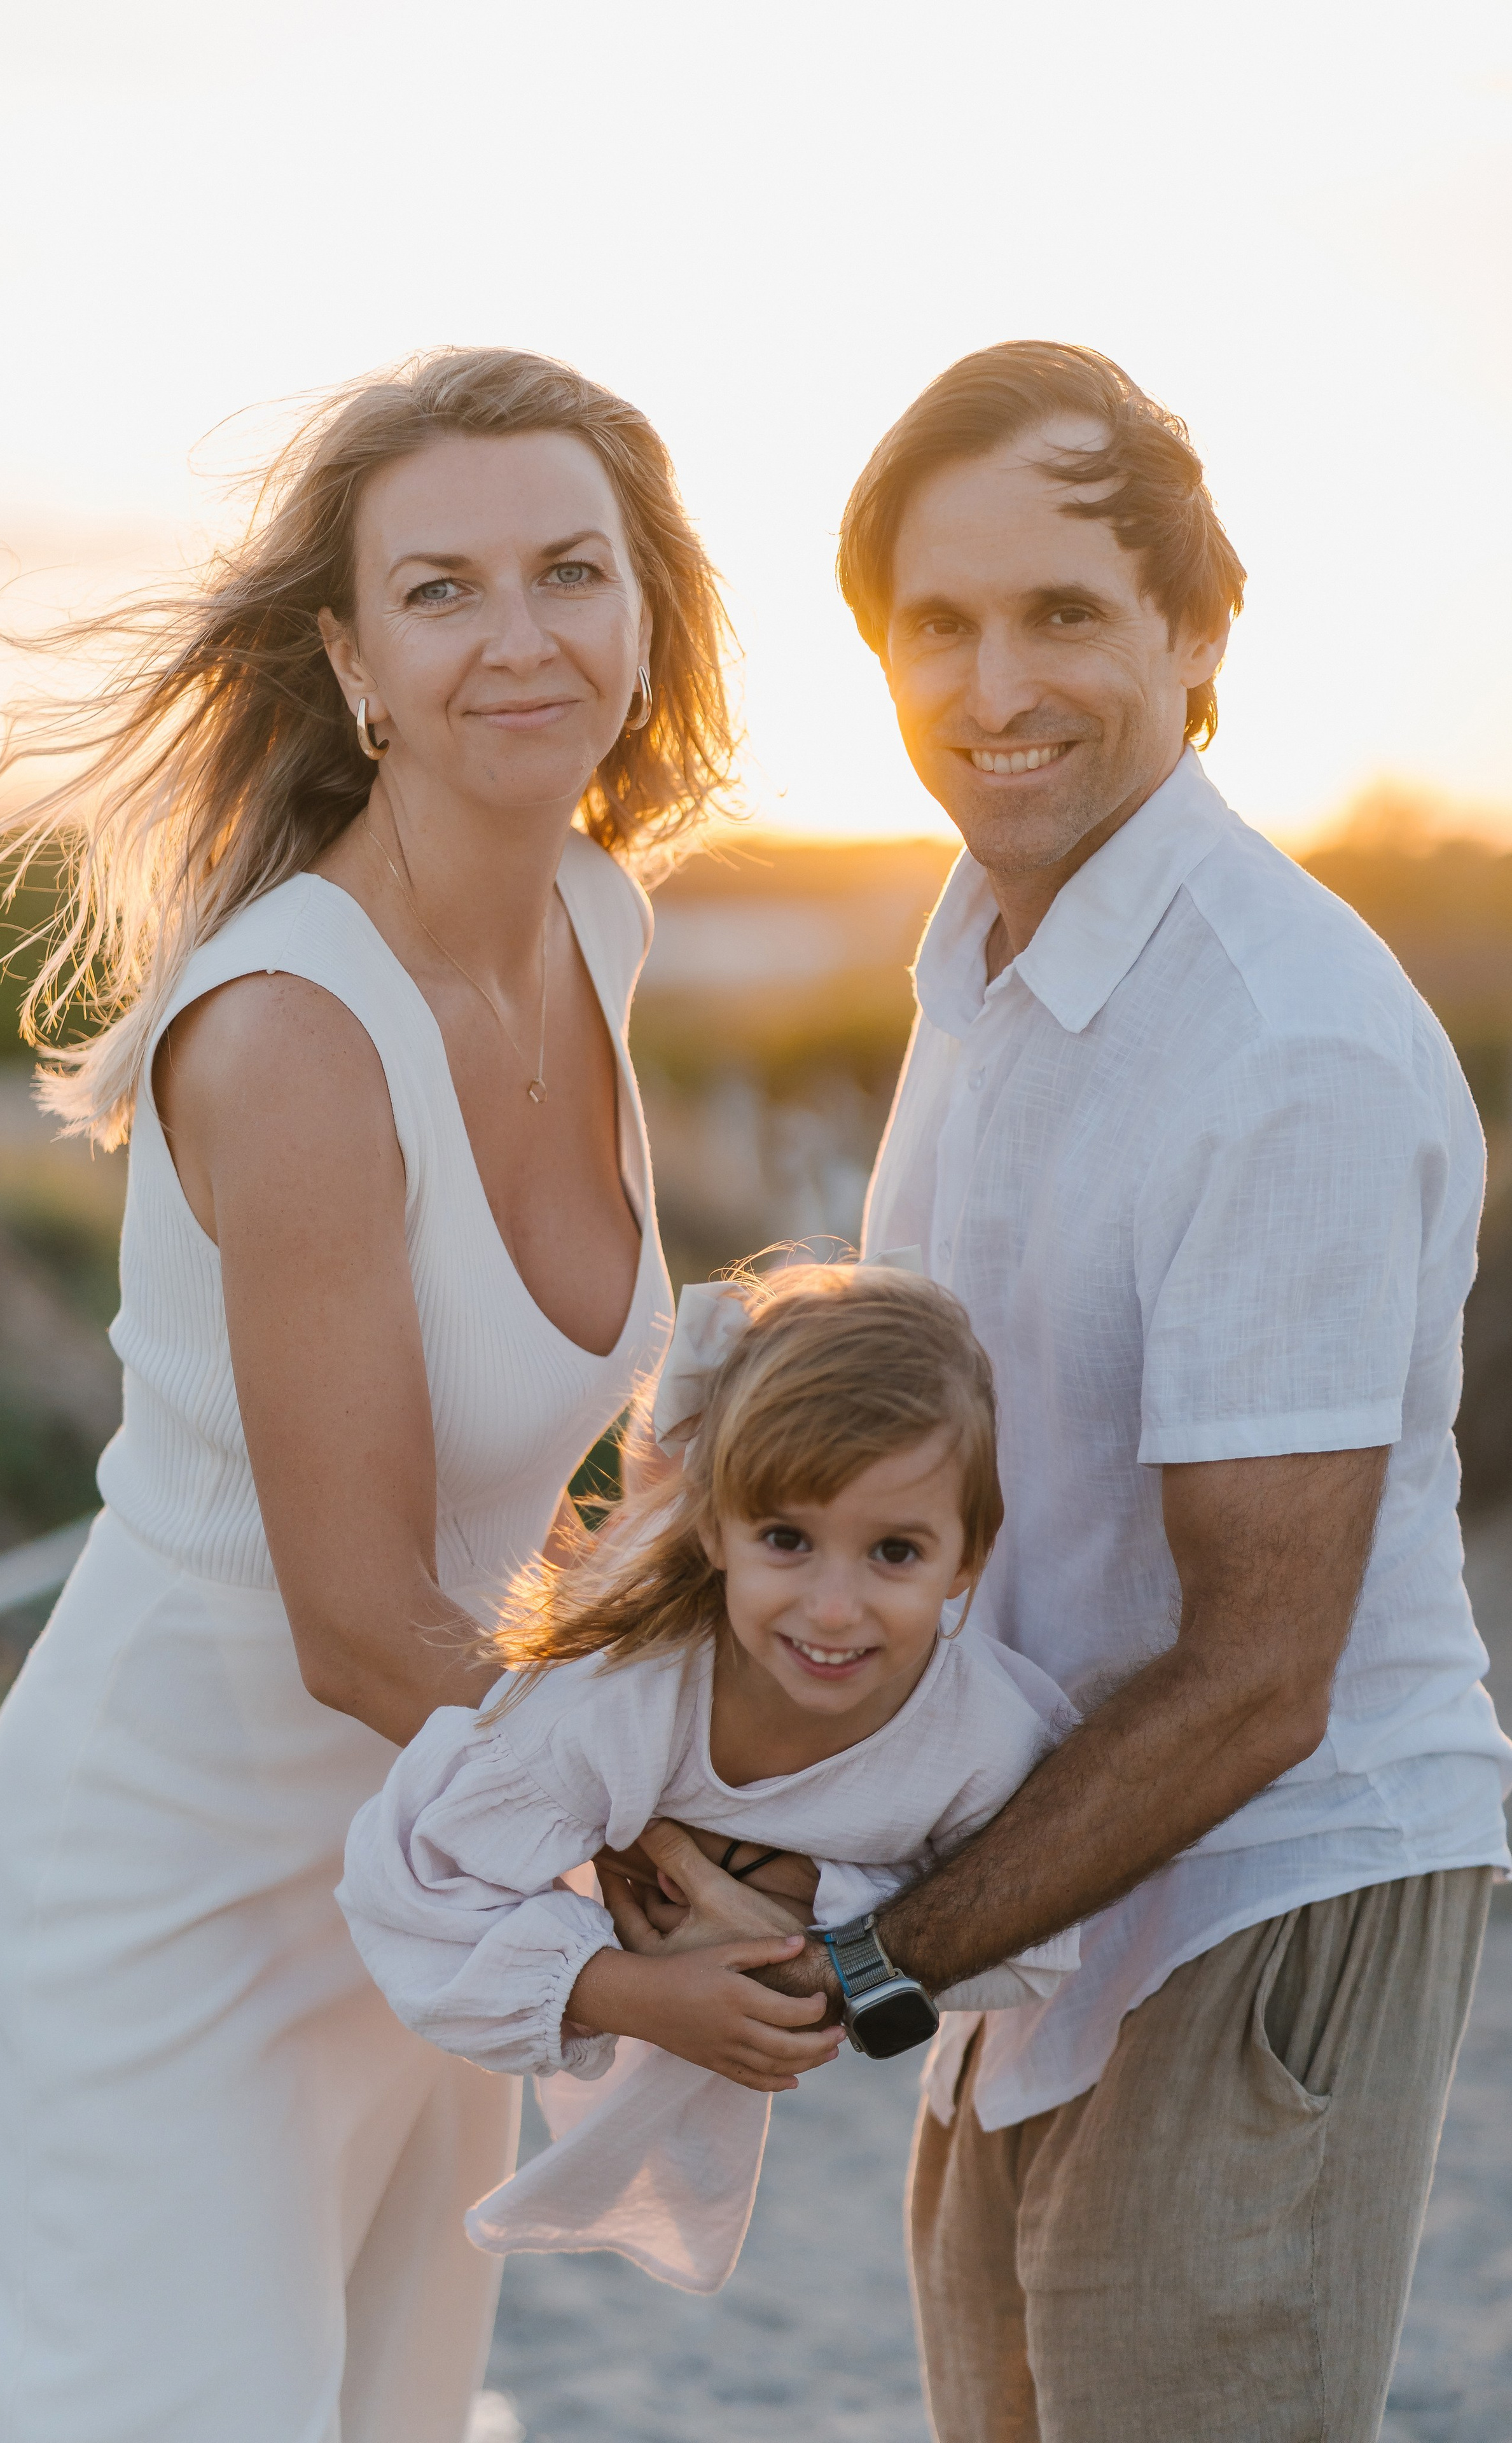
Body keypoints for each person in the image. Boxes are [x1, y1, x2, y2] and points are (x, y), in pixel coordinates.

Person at [602, 343, 1512, 2442]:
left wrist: (862, 1958)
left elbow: (1260, 1676)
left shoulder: (1276, 1039)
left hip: (1259, 1887)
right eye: (941, 623)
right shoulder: (988, 958)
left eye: (1068, 613)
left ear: (1199, 633)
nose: (995, 684)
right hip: (1041, 1899)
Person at [0, 346, 739, 2443]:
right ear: (354, 661)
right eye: (444, 589)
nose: (520, 636)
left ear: (649, 616)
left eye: (571, 569)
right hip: (175, 1875)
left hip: (424, 1855)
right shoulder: (291, 1029)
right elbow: (363, 1613)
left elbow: (501, 1506)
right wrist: (679, 1839)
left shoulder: (593, 916)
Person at [337, 1261, 1079, 2294]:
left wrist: (815, 1915)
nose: (833, 1608)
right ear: (723, 1533)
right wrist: (630, 1992)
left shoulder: (991, 1739)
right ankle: (666, 1476)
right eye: (788, 1538)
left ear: (968, 1561)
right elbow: (404, 1888)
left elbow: (1039, 1942)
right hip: (667, 1609)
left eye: (895, 1553)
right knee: (646, 1527)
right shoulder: (612, 1702)